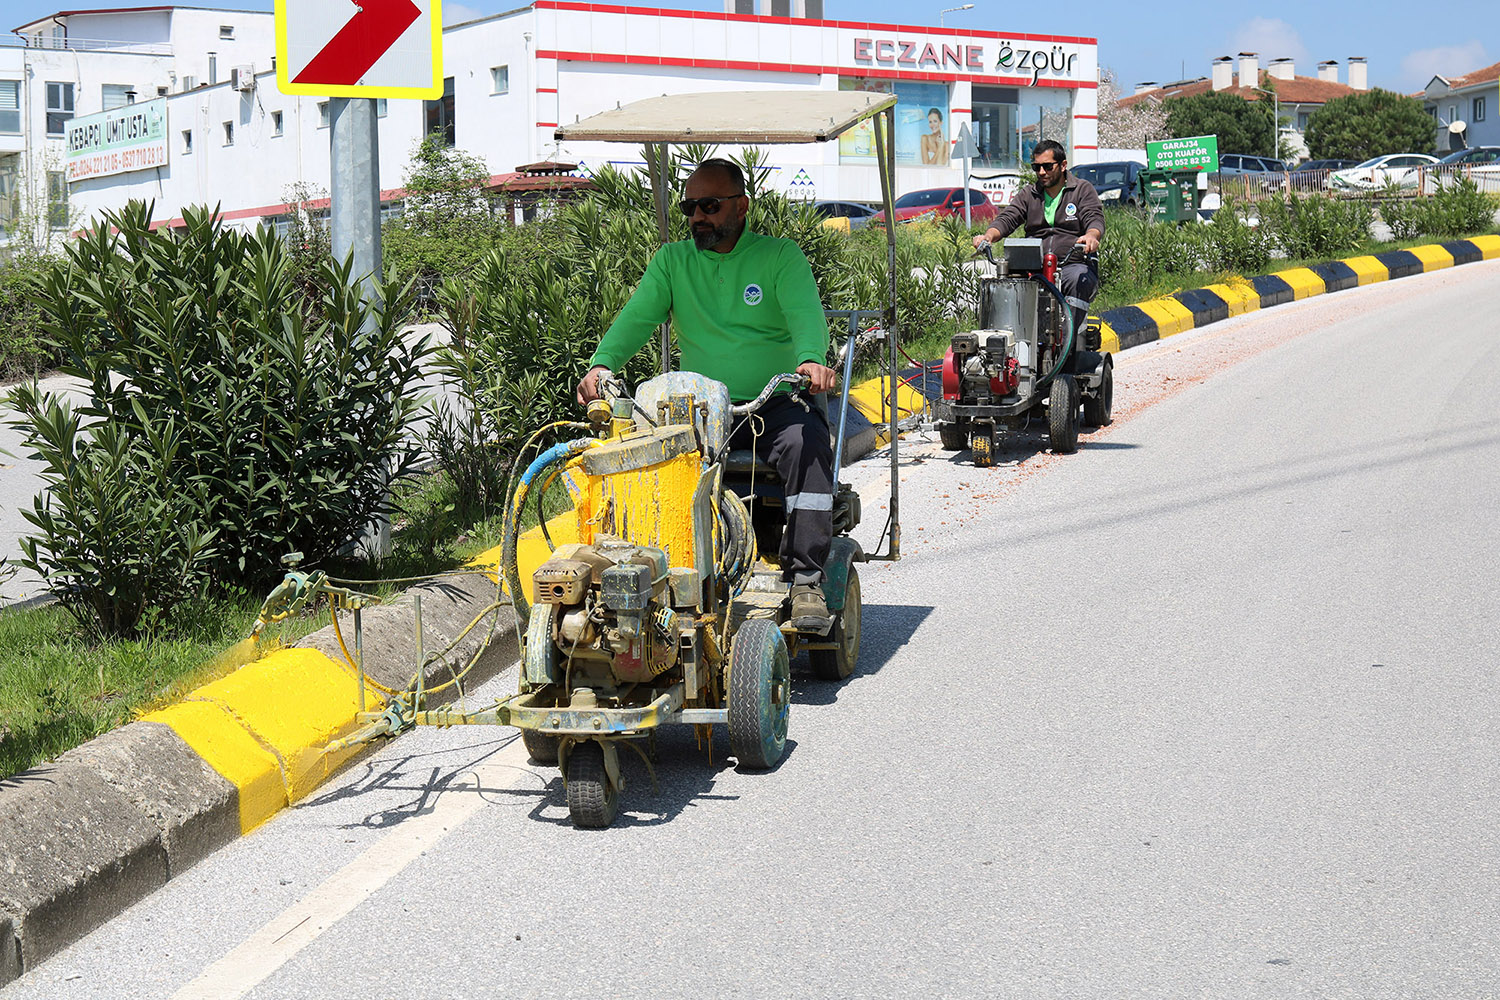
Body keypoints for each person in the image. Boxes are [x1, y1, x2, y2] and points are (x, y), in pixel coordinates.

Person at [575, 159, 840, 632]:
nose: (698, 216)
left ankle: (805, 583)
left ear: (741, 206)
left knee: (807, 445)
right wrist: (602, 363)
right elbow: (636, 318)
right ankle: (664, 579)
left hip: (773, 402)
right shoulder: (673, 262)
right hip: (700, 408)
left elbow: (805, 315)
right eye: (690, 207)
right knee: (644, 458)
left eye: (710, 206)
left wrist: (810, 359)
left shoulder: (780, 257)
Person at [972, 139, 1104, 322]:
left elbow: (1094, 218)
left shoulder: (1081, 190)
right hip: (1033, 266)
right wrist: (988, 236)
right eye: (1037, 167)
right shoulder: (1029, 193)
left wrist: (1091, 236)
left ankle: (1070, 342)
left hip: (1071, 264)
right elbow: (1008, 217)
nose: (1042, 172)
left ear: (1063, 165)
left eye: (1048, 166)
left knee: (1076, 279)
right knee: (1004, 284)